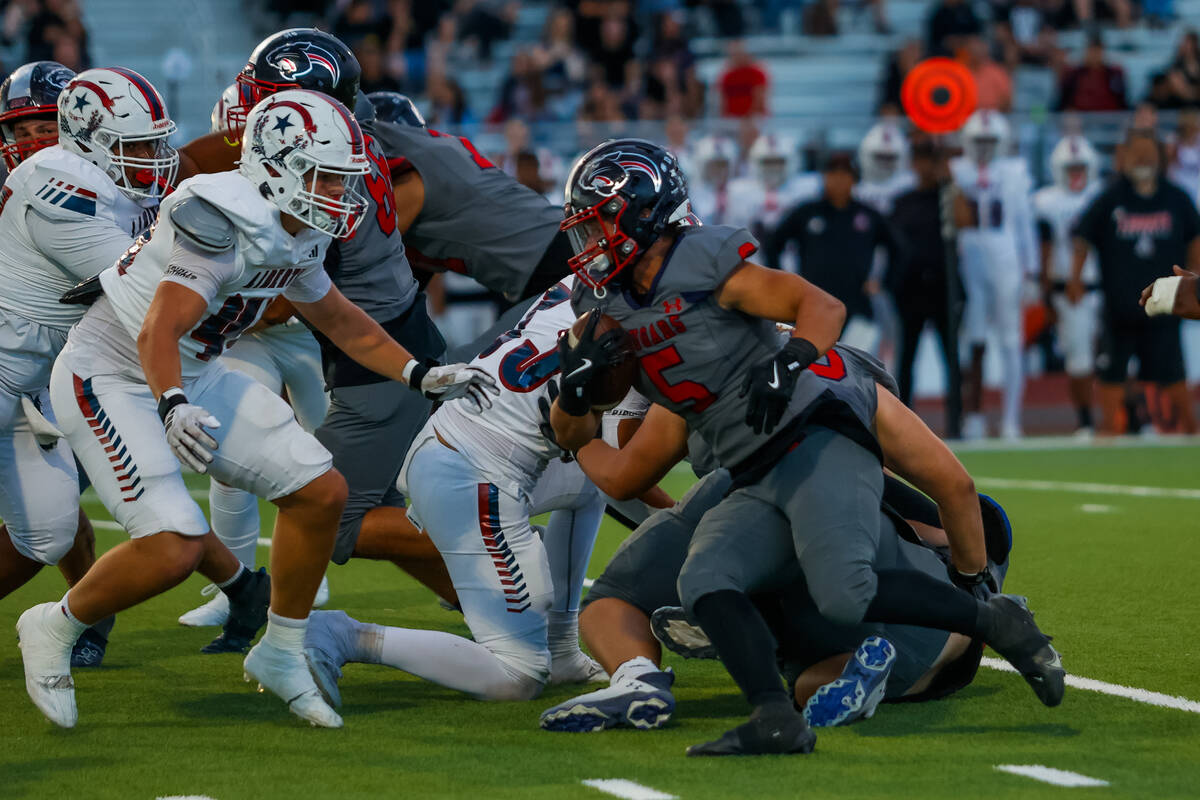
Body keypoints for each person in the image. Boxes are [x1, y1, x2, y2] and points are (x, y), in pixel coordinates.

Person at [552, 138, 1061, 755]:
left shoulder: (718, 275)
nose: (589, 241)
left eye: (599, 220)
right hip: (752, 473)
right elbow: (596, 450)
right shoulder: (609, 315)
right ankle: (775, 718)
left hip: (815, 441)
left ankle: (994, 618)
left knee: (843, 592)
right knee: (708, 579)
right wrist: (576, 395)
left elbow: (820, 306)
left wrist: (792, 362)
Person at [18, 88, 497, 730]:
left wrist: (420, 373)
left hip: (194, 368)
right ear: (279, 165)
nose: (340, 192)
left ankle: (283, 646)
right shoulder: (220, 214)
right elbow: (157, 329)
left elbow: (338, 319)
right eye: (327, 175)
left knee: (321, 491)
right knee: (172, 546)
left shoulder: (297, 227)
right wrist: (172, 403)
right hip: (113, 373)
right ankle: (53, 624)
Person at [540, 378, 1016, 733]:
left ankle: (638, 674)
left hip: (732, 495)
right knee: (820, 667)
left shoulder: (692, 368)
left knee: (612, 599)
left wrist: (577, 436)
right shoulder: (847, 379)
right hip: (849, 545)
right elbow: (956, 489)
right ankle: (828, 656)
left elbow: (625, 472)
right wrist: (976, 591)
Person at [179, 29, 462, 612]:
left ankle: (489, 543)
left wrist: (200, 307)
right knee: (375, 505)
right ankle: (488, 604)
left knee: (320, 505)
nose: (257, 113)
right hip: (382, 341)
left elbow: (295, 293)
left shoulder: (325, 176)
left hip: (376, 356)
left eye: (270, 100)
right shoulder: (342, 147)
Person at [304, 279, 664, 704]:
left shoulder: (586, 288)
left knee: (586, 485)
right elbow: (602, 452)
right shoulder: (623, 332)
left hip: (466, 439)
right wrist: (682, 522)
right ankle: (342, 635)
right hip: (472, 473)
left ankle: (564, 649)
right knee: (519, 675)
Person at [177, 83, 334, 631]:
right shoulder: (215, 193)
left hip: (308, 330)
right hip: (243, 335)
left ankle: (312, 573)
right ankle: (236, 586)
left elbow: (318, 272)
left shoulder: (314, 178)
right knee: (223, 446)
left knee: (329, 450)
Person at [0, 62, 127, 669]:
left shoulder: (107, 188)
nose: (28, 140)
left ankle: (88, 615)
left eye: (42, 125)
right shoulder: (39, 186)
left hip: (54, 376)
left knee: (55, 526)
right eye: (18, 128)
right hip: (20, 362)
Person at [1070, 129, 1200, 434]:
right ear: (1124, 157)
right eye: (1137, 153)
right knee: (1112, 372)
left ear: (1160, 157)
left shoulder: (1176, 197)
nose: (1143, 159)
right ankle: (1108, 429)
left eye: (1148, 153)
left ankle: (1192, 429)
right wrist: (1075, 278)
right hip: (1120, 305)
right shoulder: (1109, 197)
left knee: (1174, 371)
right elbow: (1082, 238)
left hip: (1167, 303)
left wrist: (1195, 276)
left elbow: (1195, 238)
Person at [951, 110, 1036, 440]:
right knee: (974, 338)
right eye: (979, 140)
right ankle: (973, 414)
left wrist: (1030, 271)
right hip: (969, 252)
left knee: (1010, 339)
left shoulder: (1014, 171)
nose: (984, 147)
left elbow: (1023, 223)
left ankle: (1011, 418)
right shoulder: (957, 169)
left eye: (990, 140)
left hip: (1005, 254)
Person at [766, 152, 903, 354]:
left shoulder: (867, 215)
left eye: (845, 175)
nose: (839, 180)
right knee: (815, 368)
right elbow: (772, 244)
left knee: (856, 366)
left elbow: (898, 249)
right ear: (824, 177)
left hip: (857, 307)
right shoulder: (806, 213)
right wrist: (785, 281)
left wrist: (883, 283)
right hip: (814, 306)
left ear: (853, 179)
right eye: (833, 174)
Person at [889, 139, 965, 437]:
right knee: (907, 360)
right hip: (911, 290)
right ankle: (904, 428)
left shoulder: (947, 196)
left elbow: (965, 221)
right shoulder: (903, 201)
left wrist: (949, 180)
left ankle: (956, 422)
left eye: (931, 161)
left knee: (952, 359)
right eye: (921, 160)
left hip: (944, 289)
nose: (926, 167)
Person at [1034, 135, 1103, 436]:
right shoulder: (1045, 201)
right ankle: (1086, 420)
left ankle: (1130, 416)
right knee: (1079, 360)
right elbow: (1042, 248)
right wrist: (1045, 293)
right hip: (1067, 290)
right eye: (1071, 167)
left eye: (1081, 167)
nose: (1077, 173)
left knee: (1116, 357)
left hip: (1104, 285)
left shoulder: (1102, 194)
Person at [726, 133, 821, 249]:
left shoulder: (804, 189)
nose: (773, 168)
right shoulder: (739, 191)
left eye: (778, 162)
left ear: (790, 163)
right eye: (767, 162)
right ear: (755, 163)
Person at [1055, 32, 1128, 113]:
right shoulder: (1074, 74)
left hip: (1110, 120)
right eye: (1091, 50)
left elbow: (1122, 103)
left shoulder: (1115, 74)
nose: (1094, 54)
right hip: (1080, 120)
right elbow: (1065, 103)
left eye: (1097, 50)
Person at [688, 134, 739, 226]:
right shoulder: (692, 194)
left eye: (722, 165)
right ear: (702, 166)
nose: (719, 170)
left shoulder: (738, 191)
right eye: (714, 165)